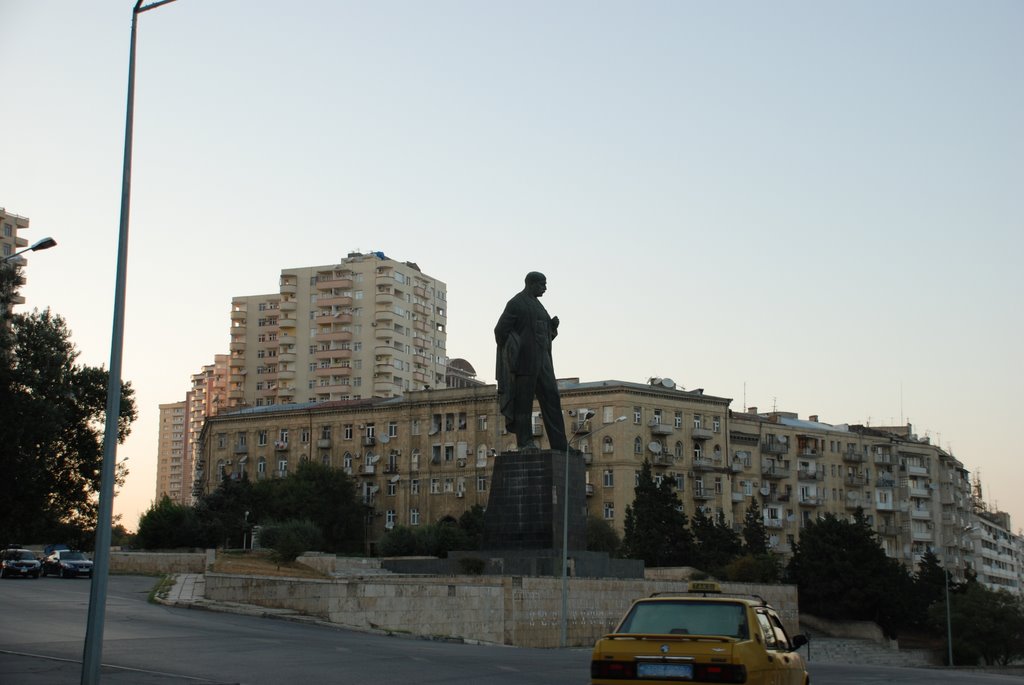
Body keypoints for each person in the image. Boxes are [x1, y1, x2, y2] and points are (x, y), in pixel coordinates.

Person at [494, 272, 568, 452]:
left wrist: (552, 328)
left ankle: (560, 445)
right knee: (524, 403)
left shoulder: (539, 306)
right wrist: (514, 351)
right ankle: (525, 442)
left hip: (544, 361)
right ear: (532, 283)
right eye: (542, 284)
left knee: (552, 399)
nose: (545, 288)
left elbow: (543, 334)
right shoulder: (516, 303)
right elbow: (500, 331)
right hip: (525, 361)